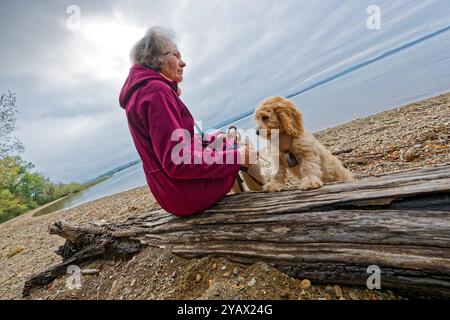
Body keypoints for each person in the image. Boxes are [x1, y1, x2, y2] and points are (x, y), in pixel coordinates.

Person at [119, 26, 264, 217]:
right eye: (176, 56)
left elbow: (175, 146)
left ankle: (246, 204)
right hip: (187, 194)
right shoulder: (156, 92)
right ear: (158, 60)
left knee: (227, 143)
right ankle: (263, 207)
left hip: (171, 193)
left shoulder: (142, 92)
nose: (183, 63)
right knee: (241, 147)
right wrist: (237, 157)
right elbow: (177, 161)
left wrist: (210, 139)